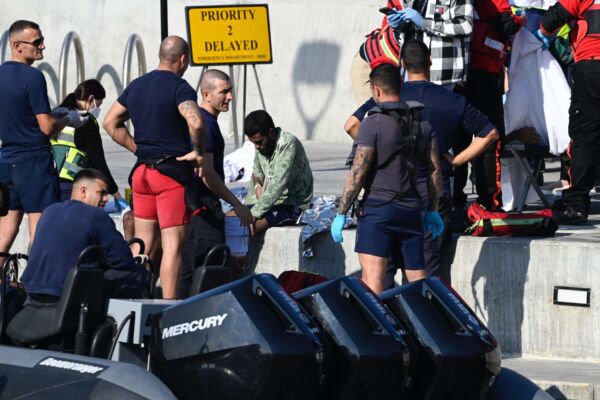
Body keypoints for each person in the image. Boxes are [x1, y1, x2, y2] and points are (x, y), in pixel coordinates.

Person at [344, 40, 499, 276]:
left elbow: (351, 125)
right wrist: (458, 160)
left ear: (403, 65)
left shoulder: (390, 94)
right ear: (430, 62)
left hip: (390, 188)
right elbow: (490, 133)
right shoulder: (451, 99)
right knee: (424, 273)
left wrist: (379, 148)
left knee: (381, 273)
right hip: (434, 190)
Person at [102, 36, 205, 299]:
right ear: (183, 59)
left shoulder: (137, 85)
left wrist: (137, 148)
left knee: (143, 245)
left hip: (142, 175)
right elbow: (196, 122)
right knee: (173, 248)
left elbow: (110, 122)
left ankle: (135, 300)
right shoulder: (180, 87)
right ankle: (169, 307)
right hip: (170, 176)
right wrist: (198, 152)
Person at [332, 64, 444, 295]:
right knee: (417, 280)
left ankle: (378, 320)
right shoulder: (422, 123)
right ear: (399, 86)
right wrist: (432, 211)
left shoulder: (371, 123)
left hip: (378, 211)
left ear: (376, 90)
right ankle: (423, 318)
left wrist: (341, 213)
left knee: (373, 280)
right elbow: (434, 170)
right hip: (411, 209)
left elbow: (358, 172)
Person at [21, 169, 149, 305]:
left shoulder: (49, 211)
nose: (106, 199)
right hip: (68, 293)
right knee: (138, 275)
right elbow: (123, 261)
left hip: (32, 290)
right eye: (102, 193)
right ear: (83, 191)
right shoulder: (97, 216)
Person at [0, 20, 73, 255]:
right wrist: (67, 119)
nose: (42, 46)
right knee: (41, 230)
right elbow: (47, 127)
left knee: (4, 232)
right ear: (17, 45)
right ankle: (36, 279)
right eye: (37, 42)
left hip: (6, 160)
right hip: (34, 162)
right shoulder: (32, 77)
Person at [179, 70, 253, 297]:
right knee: (204, 273)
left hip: (199, 208)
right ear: (206, 95)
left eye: (230, 90)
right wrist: (236, 204)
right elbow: (206, 173)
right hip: (202, 211)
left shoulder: (208, 123)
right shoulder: (205, 126)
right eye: (224, 92)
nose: (230, 96)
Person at [452, 0, 525, 212]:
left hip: (459, 72)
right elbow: (507, 24)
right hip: (484, 73)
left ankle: (456, 201)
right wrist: (521, 19)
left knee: (459, 138)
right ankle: (489, 201)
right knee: (490, 137)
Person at [537, 0, 600, 224]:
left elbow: (551, 19)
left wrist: (544, 33)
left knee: (584, 138)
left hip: (592, 66)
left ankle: (576, 206)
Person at [51, 79, 125, 204]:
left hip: (48, 181)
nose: (97, 110)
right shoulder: (85, 121)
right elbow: (97, 161)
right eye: (98, 105)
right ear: (91, 99)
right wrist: (115, 193)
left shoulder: (55, 114)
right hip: (71, 185)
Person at [244, 110, 313, 235]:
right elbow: (256, 171)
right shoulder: (262, 146)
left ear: (271, 133)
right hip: (267, 202)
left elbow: (277, 185)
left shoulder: (287, 143)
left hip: (291, 204)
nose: (256, 147)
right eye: (253, 143)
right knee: (231, 220)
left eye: (259, 142)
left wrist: (253, 214)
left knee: (245, 230)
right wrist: (258, 185)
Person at [387, 0, 474, 88]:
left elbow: (465, 25)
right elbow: (411, 28)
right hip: (409, 70)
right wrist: (397, 25)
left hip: (439, 74)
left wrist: (424, 23)